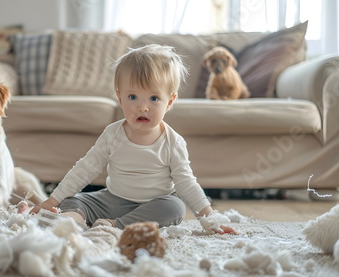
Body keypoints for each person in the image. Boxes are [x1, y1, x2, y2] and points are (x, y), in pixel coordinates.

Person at [32, 44, 237, 234]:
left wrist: (211, 219)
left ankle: (116, 225)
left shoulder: (173, 142)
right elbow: (85, 168)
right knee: (72, 200)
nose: (142, 107)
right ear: (120, 98)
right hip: (111, 200)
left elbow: (186, 183)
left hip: (155, 204)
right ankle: (74, 219)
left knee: (174, 208)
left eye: (154, 98)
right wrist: (53, 200)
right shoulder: (112, 134)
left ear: (170, 101)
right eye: (133, 97)